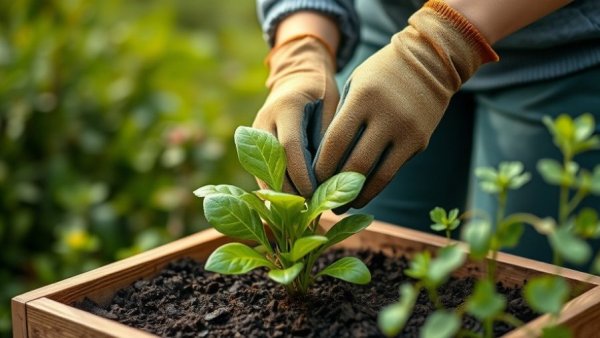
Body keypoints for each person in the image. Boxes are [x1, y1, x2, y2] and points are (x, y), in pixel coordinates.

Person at [253, 0, 600, 265]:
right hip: (390, 40)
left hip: (561, 53)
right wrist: (301, 47)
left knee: (526, 272)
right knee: (371, 259)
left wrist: (438, 45)